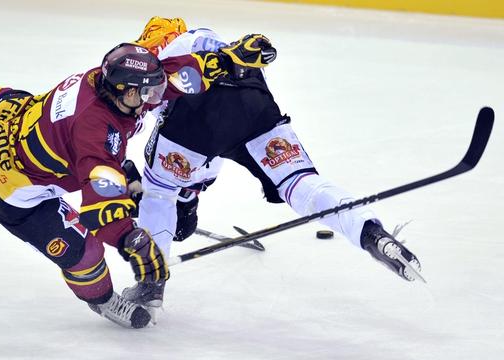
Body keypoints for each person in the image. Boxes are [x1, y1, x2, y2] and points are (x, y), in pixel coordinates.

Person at [0, 35, 276, 328]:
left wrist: (231, 57)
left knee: (8, 99)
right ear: (122, 92)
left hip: (10, 127)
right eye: (145, 95)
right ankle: (103, 302)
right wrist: (130, 239)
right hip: (9, 191)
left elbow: (168, 76)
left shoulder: (113, 81)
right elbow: (99, 207)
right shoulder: (97, 132)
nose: (154, 99)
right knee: (82, 250)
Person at [120, 18, 423, 314]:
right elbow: (224, 125)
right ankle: (369, 231)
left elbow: (195, 140)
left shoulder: (156, 58)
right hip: (253, 100)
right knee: (300, 183)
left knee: (159, 191)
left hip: (196, 111)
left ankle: (151, 283)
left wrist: (179, 194)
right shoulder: (210, 38)